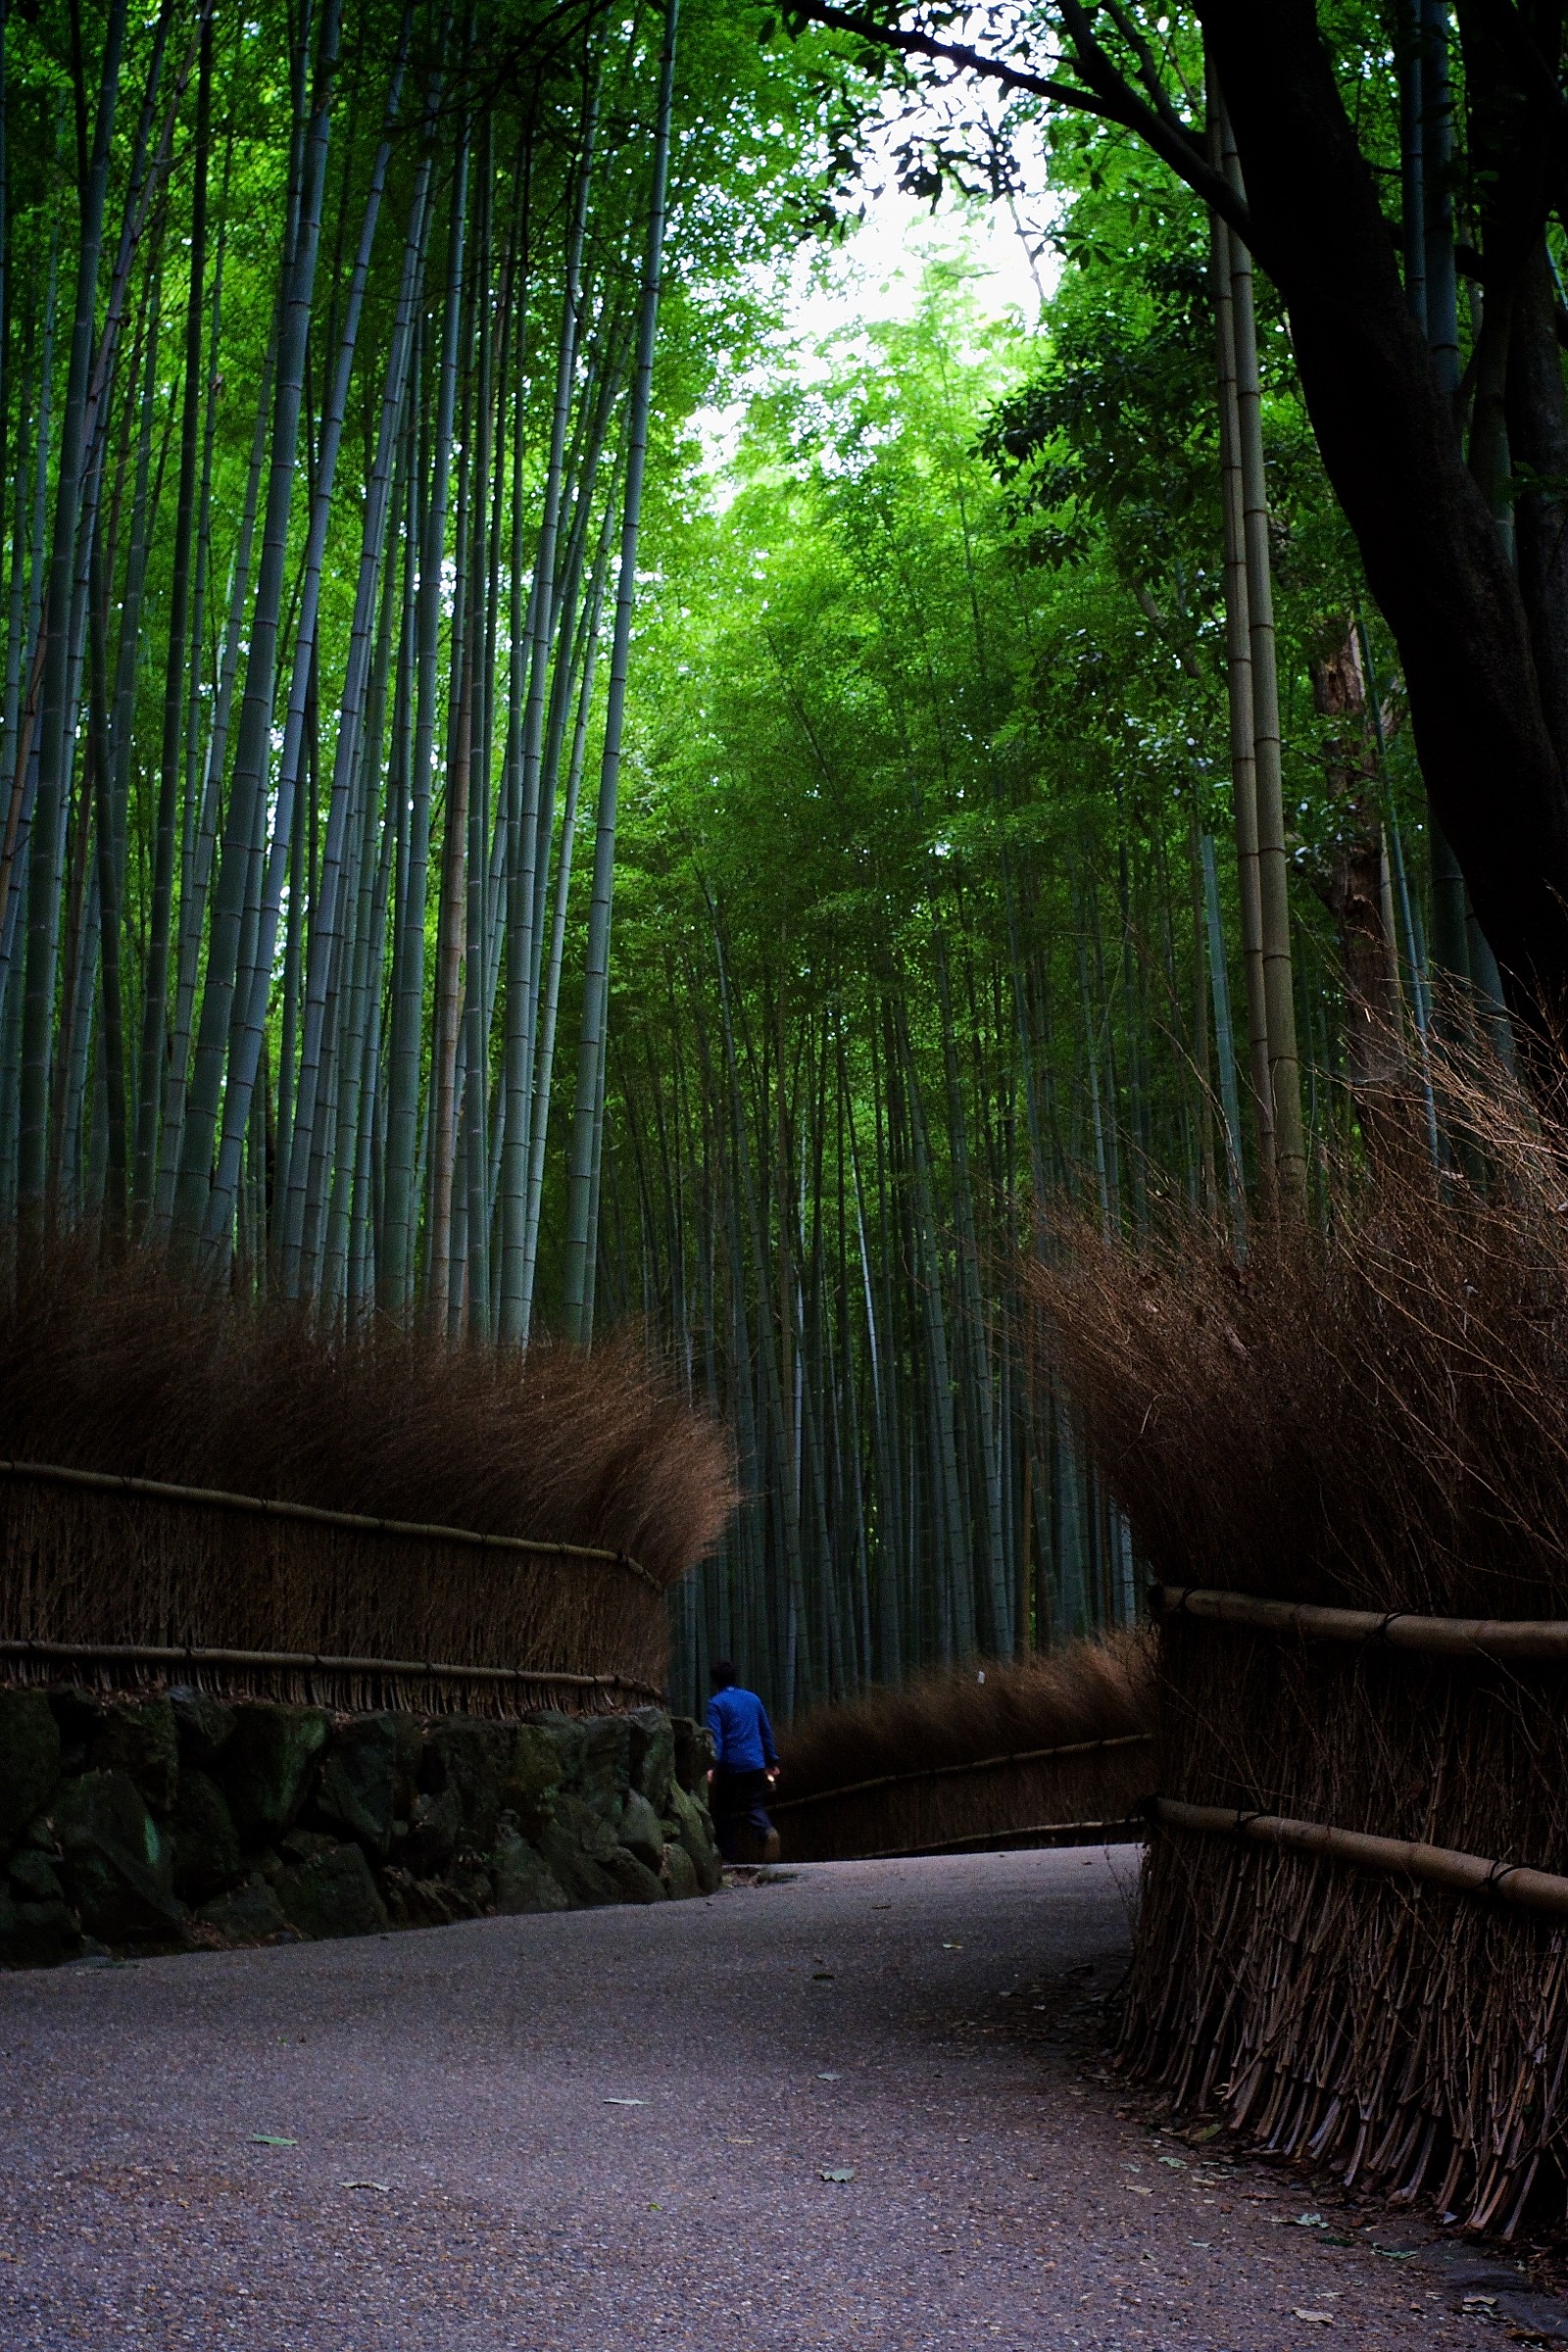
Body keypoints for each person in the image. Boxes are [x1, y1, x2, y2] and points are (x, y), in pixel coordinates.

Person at [706, 1661, 781, 1864]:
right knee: (754, 1806)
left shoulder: (716, 1703)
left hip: (730, 1765)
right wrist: (772, 1761)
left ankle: (728, 1856)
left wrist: (712, 1765)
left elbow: (716, 1738)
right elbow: (765, 1732)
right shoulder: (753, 1699)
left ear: (715, 1681)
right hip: (755, 1763)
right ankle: (766, 1831)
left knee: (723, 1811)